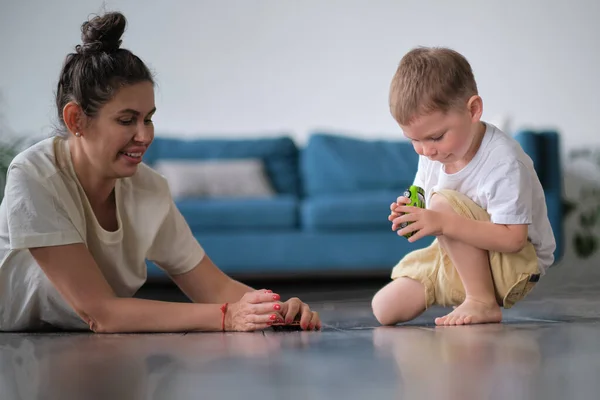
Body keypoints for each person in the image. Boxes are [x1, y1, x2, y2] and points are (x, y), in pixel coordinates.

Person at [0, 11, 320, 333]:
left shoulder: (149, 189)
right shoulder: (34, 175)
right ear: (76, 120)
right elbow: (101, 313)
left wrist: (275, 309)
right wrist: (226, 316)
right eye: (127, 120)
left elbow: (215, 289)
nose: (145, 136)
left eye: (148, 118)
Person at [371, 47, 556, 326]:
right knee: (384, 308)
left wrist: (442, 222)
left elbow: (513, 238)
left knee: (442, 203)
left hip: (514, 263)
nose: (425, 150)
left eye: (435, 137)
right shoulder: (432, 153)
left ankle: (481, 302)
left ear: (473, 110)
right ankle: (470, 293)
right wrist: (410, 209)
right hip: (462, 256)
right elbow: (422, 191)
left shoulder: (503, 162)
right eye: (414, 140)